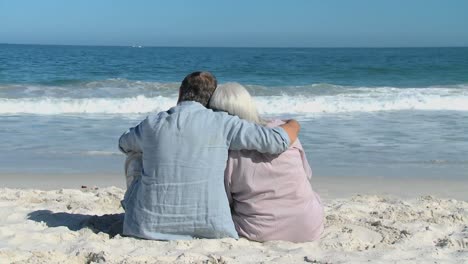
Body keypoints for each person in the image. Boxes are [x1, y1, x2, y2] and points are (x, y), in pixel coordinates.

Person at [118, 72, 301, 240]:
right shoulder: (224, 123)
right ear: (211, 98)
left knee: (135, 154)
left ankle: (143, 210)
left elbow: (123, 143)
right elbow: (276, 141)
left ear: (180, 92)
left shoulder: (152, 123)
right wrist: (293, 123)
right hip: (212, 228)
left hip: (144, 227)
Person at [209, 82, 324, 243]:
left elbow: (225, 200)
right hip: (309, 227)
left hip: (259, 232)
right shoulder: (284, 133)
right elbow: (307, 174)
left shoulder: (228, 152)